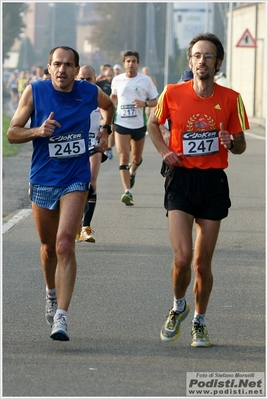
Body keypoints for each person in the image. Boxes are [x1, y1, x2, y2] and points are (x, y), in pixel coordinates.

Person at [147, 33, 249, 347]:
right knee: (182, 258)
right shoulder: (172, 93)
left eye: (208, 56)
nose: (201, 61)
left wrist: (231, 142)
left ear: (217, 63)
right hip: (180, 180)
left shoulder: (232, 98)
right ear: (190, 61)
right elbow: (153, 124)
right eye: (196, 56)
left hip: (213, 182)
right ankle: (178, 306)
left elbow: (241, 145)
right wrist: (165, 151)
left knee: (202, 264)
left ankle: (199, 322)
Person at [7, 46, 115, 341]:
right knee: (47, 246)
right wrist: (37, 131)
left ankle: (62, 317)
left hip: (76, 177)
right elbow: (12, 132)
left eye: (68, 65)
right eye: (57, 64)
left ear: (77, 70)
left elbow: (109, 106)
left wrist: (106, 130)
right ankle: (51, 293)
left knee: (66, 243)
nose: (62, 70)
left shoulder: (89, 92)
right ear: (49, 66)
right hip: (43, 178)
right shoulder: (35, 92)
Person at [111, 50, 158, 206]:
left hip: (138, 125)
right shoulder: (117, 80)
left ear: (138, 63)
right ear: (124, 63)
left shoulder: (145, 80)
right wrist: (110, 108)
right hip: (121, 123)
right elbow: (114, 97)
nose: (131, 64)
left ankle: (132, 172)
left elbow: (155, 101)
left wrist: (144, 104)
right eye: (128, 61)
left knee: (136, 159)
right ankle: (127, 192)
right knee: (123, 156)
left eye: (133, 61)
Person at [76, 65, 108, 243]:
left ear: (95, 80)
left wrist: (104, 129)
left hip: (93, 145)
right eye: (81, 78)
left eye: (88, 79)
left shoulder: (98, 97)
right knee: (75, 185)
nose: (84, 82)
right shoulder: (70, 96)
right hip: (75, 147)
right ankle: (74, 221)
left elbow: (108, 113)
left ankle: (85, 228)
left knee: (91, 183)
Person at [96, 67, 115, 160]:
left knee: (112, 129)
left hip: (113, 109)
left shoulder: (116, 83)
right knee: (106, 127)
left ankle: (110, 146)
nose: (109, 77)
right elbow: (92, 84)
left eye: (111, 75)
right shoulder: (101, 83)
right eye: (107, 76)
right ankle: (105, 147)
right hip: (102, 109)